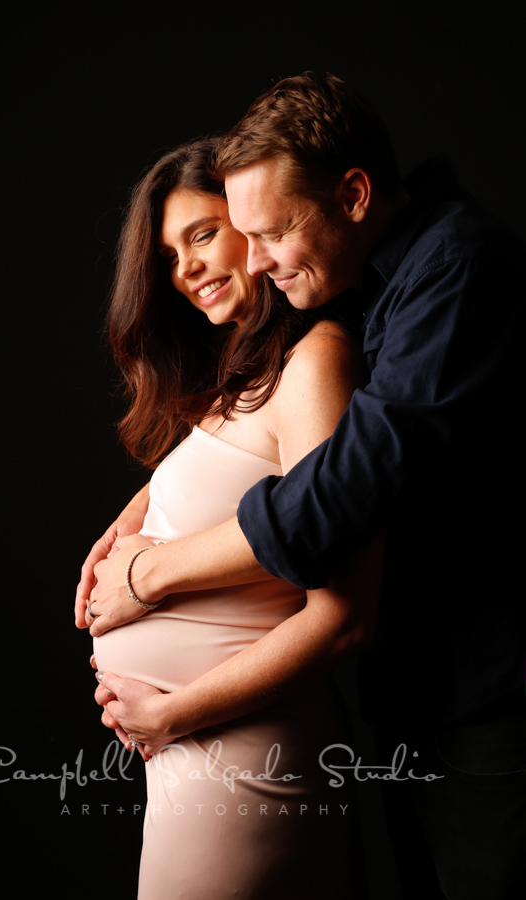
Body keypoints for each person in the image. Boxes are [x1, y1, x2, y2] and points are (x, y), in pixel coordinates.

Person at [78, 74, 525, 899]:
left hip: (487, 704)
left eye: (265, 231)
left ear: (352, 195)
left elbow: (342, 493)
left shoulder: (452, 273)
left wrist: (149, 575)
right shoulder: (369, 292)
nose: (256, 256)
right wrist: (139, 516)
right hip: (420, 702)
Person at [82, 136, 381, 898]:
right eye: (167, 256)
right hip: (194, 749)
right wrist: (128, 524)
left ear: (254, 221)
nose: (184, 269)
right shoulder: (239, 382)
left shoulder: (318, 361)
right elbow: (226, 483)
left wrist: (174, 712)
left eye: (202, 234)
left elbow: (342, 616)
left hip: (242, 754)